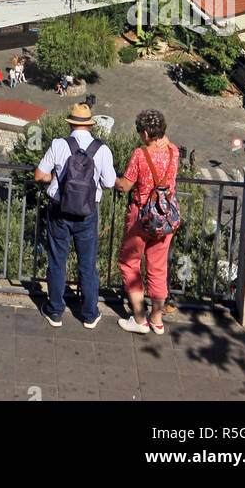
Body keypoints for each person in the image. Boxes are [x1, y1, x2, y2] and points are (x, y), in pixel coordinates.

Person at [35, 103, 117, 329]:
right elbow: (109, 183)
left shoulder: (59, 145)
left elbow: (39, 175)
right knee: (88, 265)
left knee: (57, 261)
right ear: (90, 126)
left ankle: (55, 311)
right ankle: (90, 314)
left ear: (71, 124)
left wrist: (55, 176)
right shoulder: (102, 150)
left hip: (59, 210)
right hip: (87, 214)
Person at [114, 109, 180, 336]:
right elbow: (167, 143)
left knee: (129, 263)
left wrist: (112, 180)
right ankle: (157, 319)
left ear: (145, 133)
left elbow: (125, 185)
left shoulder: (140, 155)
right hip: (165, 218)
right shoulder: (174, 152)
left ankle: (140, 319)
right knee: (158, 268)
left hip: (141, 217)